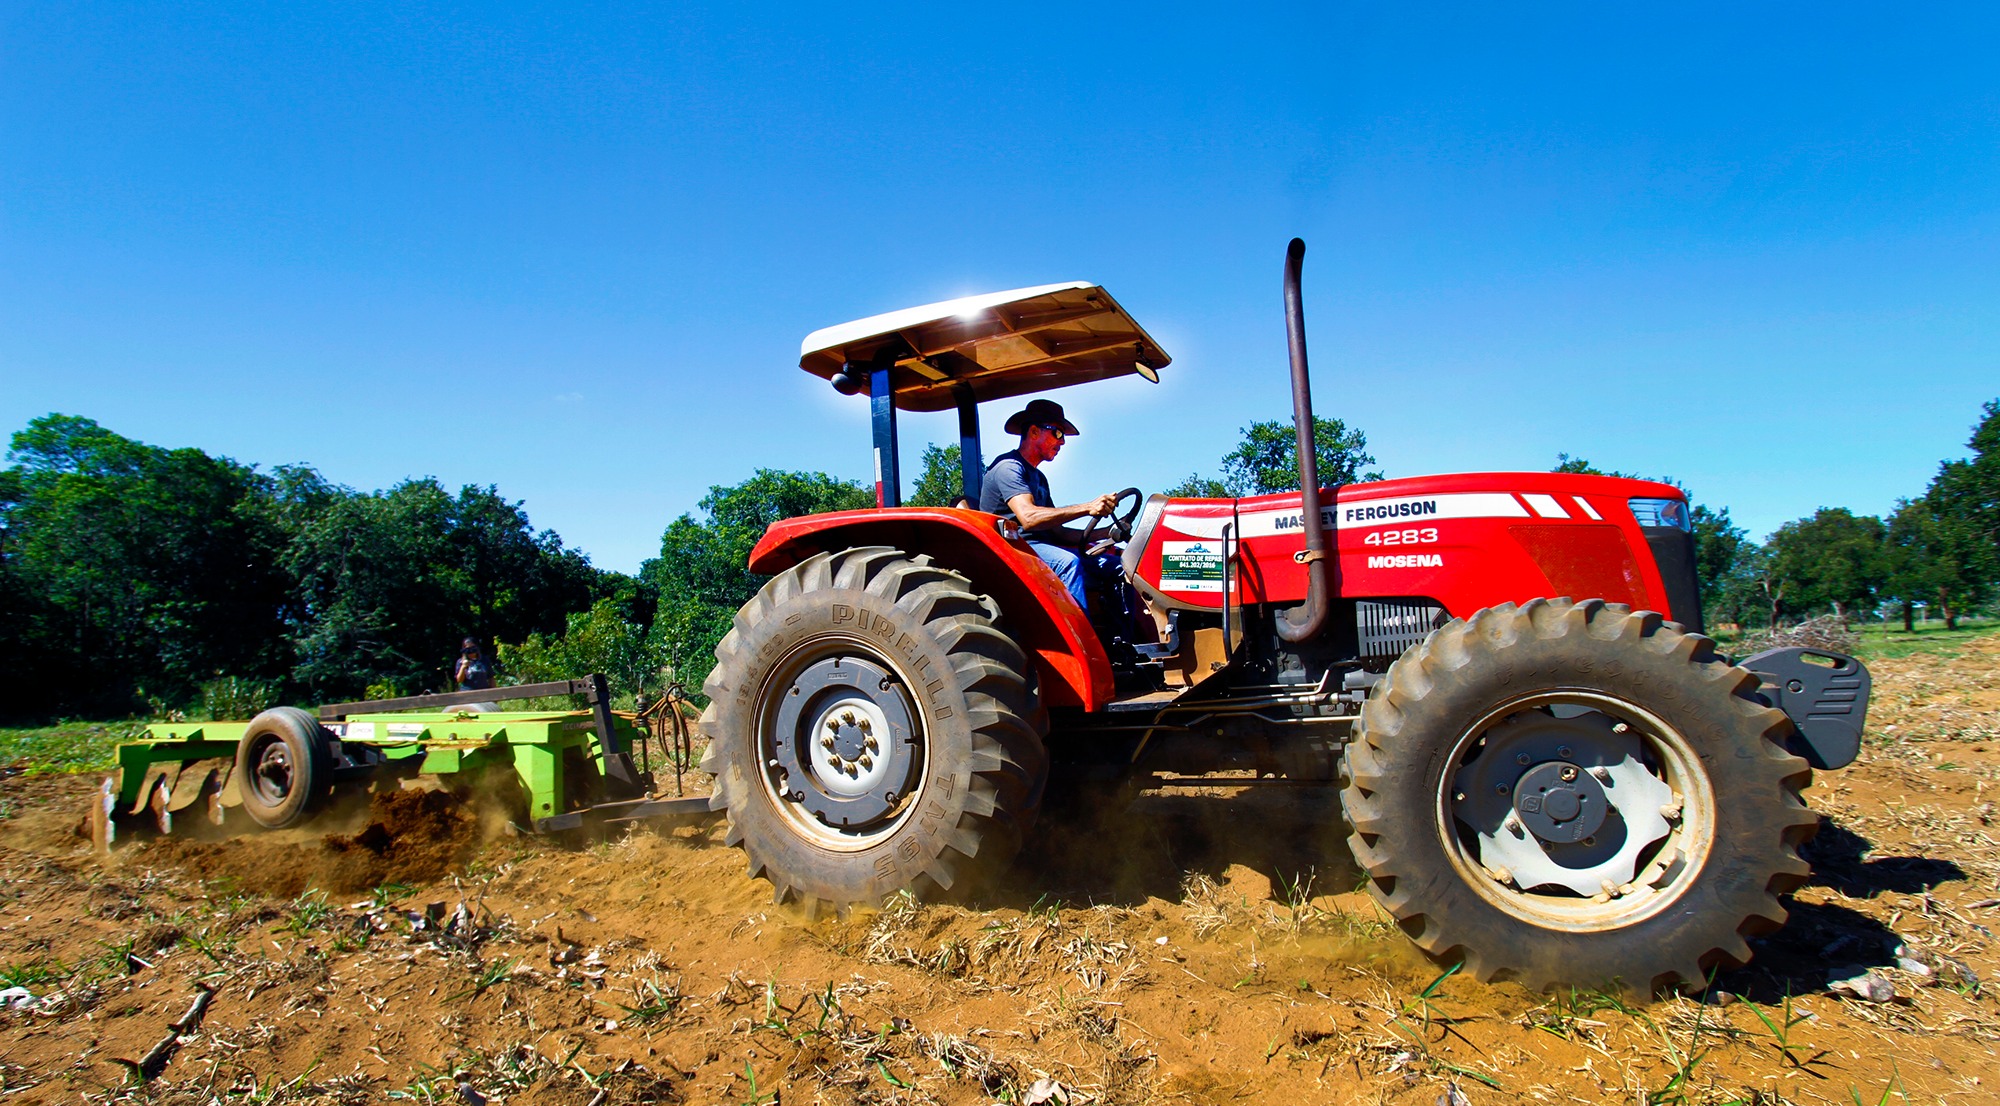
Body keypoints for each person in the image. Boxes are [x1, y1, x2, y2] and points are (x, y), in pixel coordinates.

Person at [979, 398, 1120, 610]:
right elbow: (1029, 518)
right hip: (1013, 548)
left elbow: (1058, 533)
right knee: (1067, 563)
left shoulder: (1039, 478)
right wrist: (1087, 507)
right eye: (1058, 433)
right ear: (1034, 432)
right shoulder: (1008, 467)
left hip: (1041, 547)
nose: (1062, 442)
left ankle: (1122, 641)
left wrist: (1106, 533)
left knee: (1116, 567)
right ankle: (1080, 641)